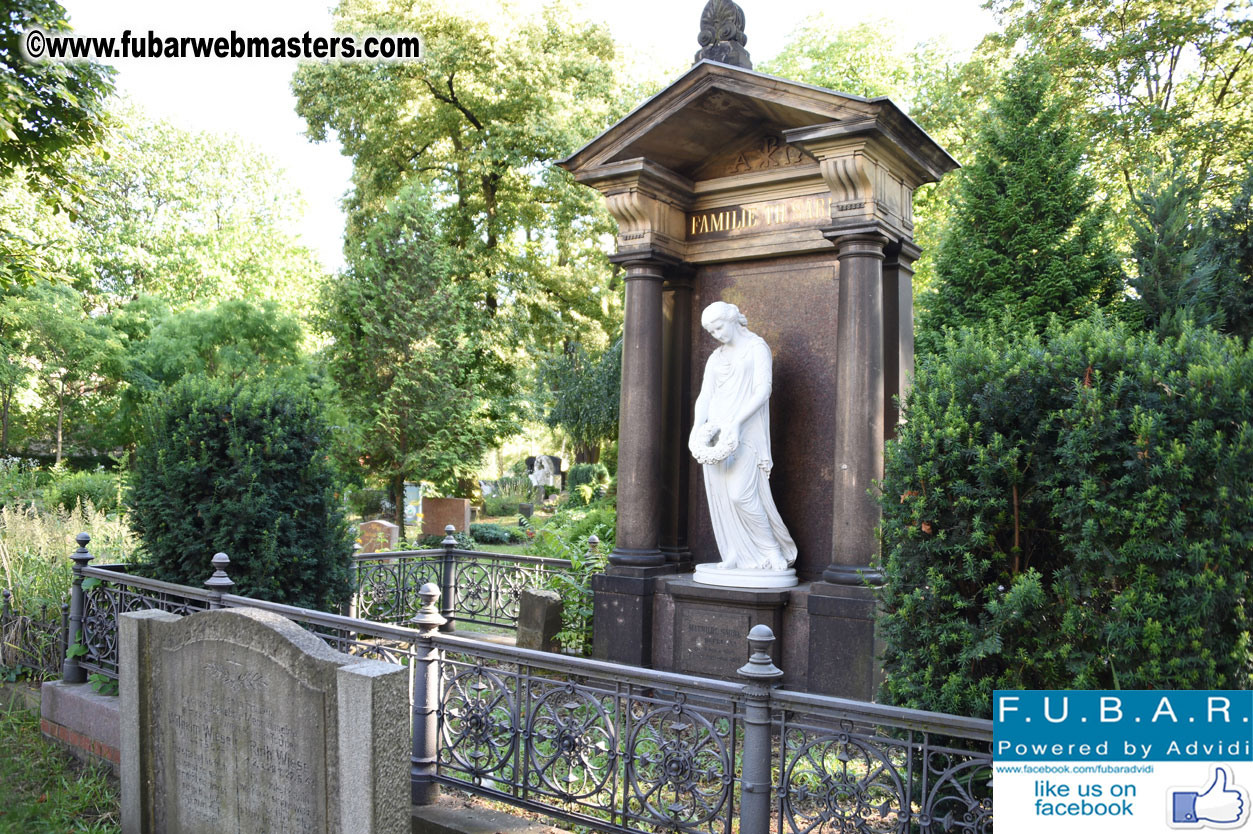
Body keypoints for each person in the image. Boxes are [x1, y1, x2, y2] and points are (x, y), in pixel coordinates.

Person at [689, 301, 797, 571]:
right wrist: (695, 430)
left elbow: (763, 391)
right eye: (712, 331)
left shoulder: (756, 348)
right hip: (714, 433)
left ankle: (772, 551)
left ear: (733, 319)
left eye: (719, 327)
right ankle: (736, 552)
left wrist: (736, 423)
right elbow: (704, 397)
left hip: (745, 429)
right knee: (723, 498)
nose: (717, 334)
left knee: (741, 495)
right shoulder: (716, 357)